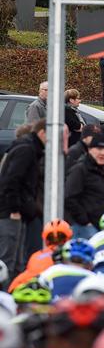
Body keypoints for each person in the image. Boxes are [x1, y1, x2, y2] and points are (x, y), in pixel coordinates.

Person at [0, 118, 46, 279]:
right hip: (11, 213)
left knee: (18, 261)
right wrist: (14, 209)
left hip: (20, 211)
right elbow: (11, 180)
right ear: (42, 133)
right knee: (9, 260)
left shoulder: (29, 148)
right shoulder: (26, 150)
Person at [65, 132, 104, 239]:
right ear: (90, 149)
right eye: (99, 149)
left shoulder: (103, 170)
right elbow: (69, 197)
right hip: (83, 228)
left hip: (99, 226)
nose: (103, 153)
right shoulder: (80, 169)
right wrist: (85, 221)